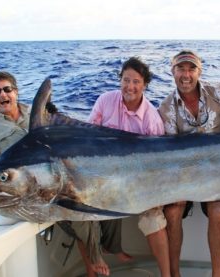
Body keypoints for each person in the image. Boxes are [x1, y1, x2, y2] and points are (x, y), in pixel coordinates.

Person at [0, 71, 100, 277]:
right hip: (29, 193)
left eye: (7, 89)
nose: (2, 95)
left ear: (15, 92)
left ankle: (111, 250)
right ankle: (93, 265)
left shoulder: (37, 113)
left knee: (100, 197)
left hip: (61, 178)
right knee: (80, 213)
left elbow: (66, 137)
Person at [88, 57, 171, 277]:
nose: (130, 87)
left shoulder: (151, 120)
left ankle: (166, 274)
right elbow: (88, 140)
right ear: (120, 80)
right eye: (126, 80)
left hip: (141, 182)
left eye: (136, 82)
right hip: (104, 176)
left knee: (153, 220)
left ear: (144, 85)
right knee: (83, 211)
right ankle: (95, 265)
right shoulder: (105, 101)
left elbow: (159, 164)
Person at [158, 50, 220, 277]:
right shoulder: (167, 107)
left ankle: (217, 274)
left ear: (199, 71)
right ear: (172, 72)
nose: (186, 74)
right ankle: (174, 273)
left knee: (219, 210)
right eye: (181, 69)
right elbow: (172, 152)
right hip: (186, 172)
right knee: (172, 211)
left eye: (191, 69)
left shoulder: (217, 92)